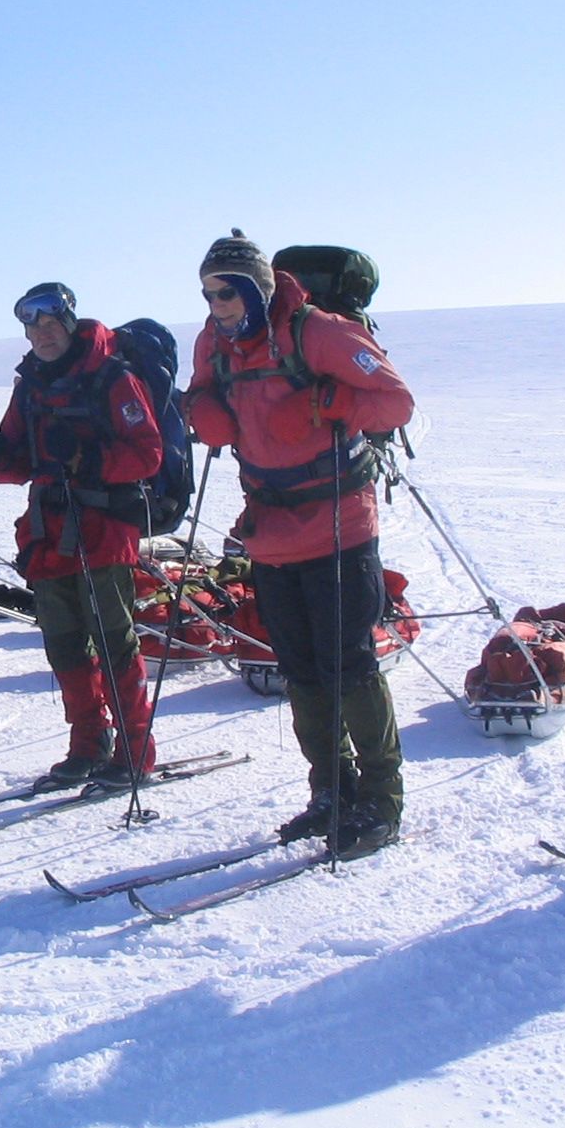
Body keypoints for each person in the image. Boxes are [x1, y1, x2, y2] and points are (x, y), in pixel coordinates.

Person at [183, 230, 414, 856]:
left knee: (350, 665)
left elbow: (396, 402)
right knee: (302, 671)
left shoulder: (321, 333)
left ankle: (381, 802)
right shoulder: (215, 341)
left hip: (340, 521)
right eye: (208, 292)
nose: (218, 303)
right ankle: (331, 792)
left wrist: (328, 401)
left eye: (228, 290)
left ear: (258, 287)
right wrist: (201, 407)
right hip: (272, 528)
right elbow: (205, 389)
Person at [0, 282, 168, 786]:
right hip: (49, 530)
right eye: (33, 326)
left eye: (52, 323)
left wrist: (86, 459)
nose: (43, 334)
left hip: (103, 528)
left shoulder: (111, 376)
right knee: (64, 643)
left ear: (70, 322)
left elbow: (148, 453)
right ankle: (88, 744)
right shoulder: (30, 383)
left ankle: (135, 750)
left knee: (113, 641)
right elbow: (20, 462)